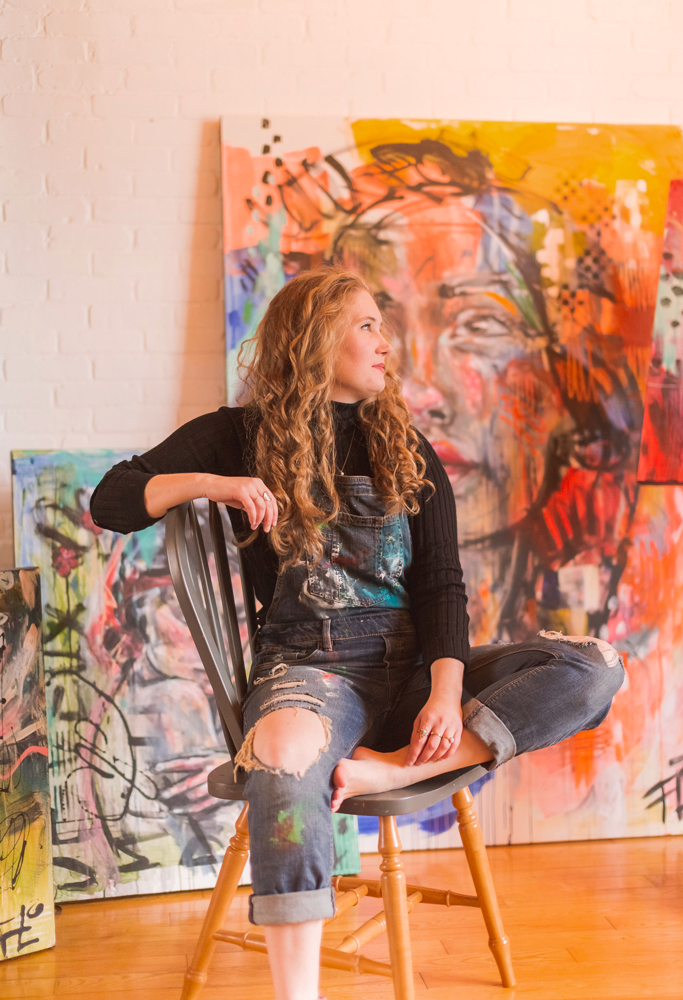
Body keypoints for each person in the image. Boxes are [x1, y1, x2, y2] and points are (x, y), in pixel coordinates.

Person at [90, 267, 624, 1000]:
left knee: (596, 665)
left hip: (415, 681)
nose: (384, 342)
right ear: (315, 339)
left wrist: (445, 695)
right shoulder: (236, 437)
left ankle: (396, 769)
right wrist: (215, 485)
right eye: (367, 325)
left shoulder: (403, 446)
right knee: (280, 757)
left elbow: (441, 586)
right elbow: (112, 499)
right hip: (311, 674)